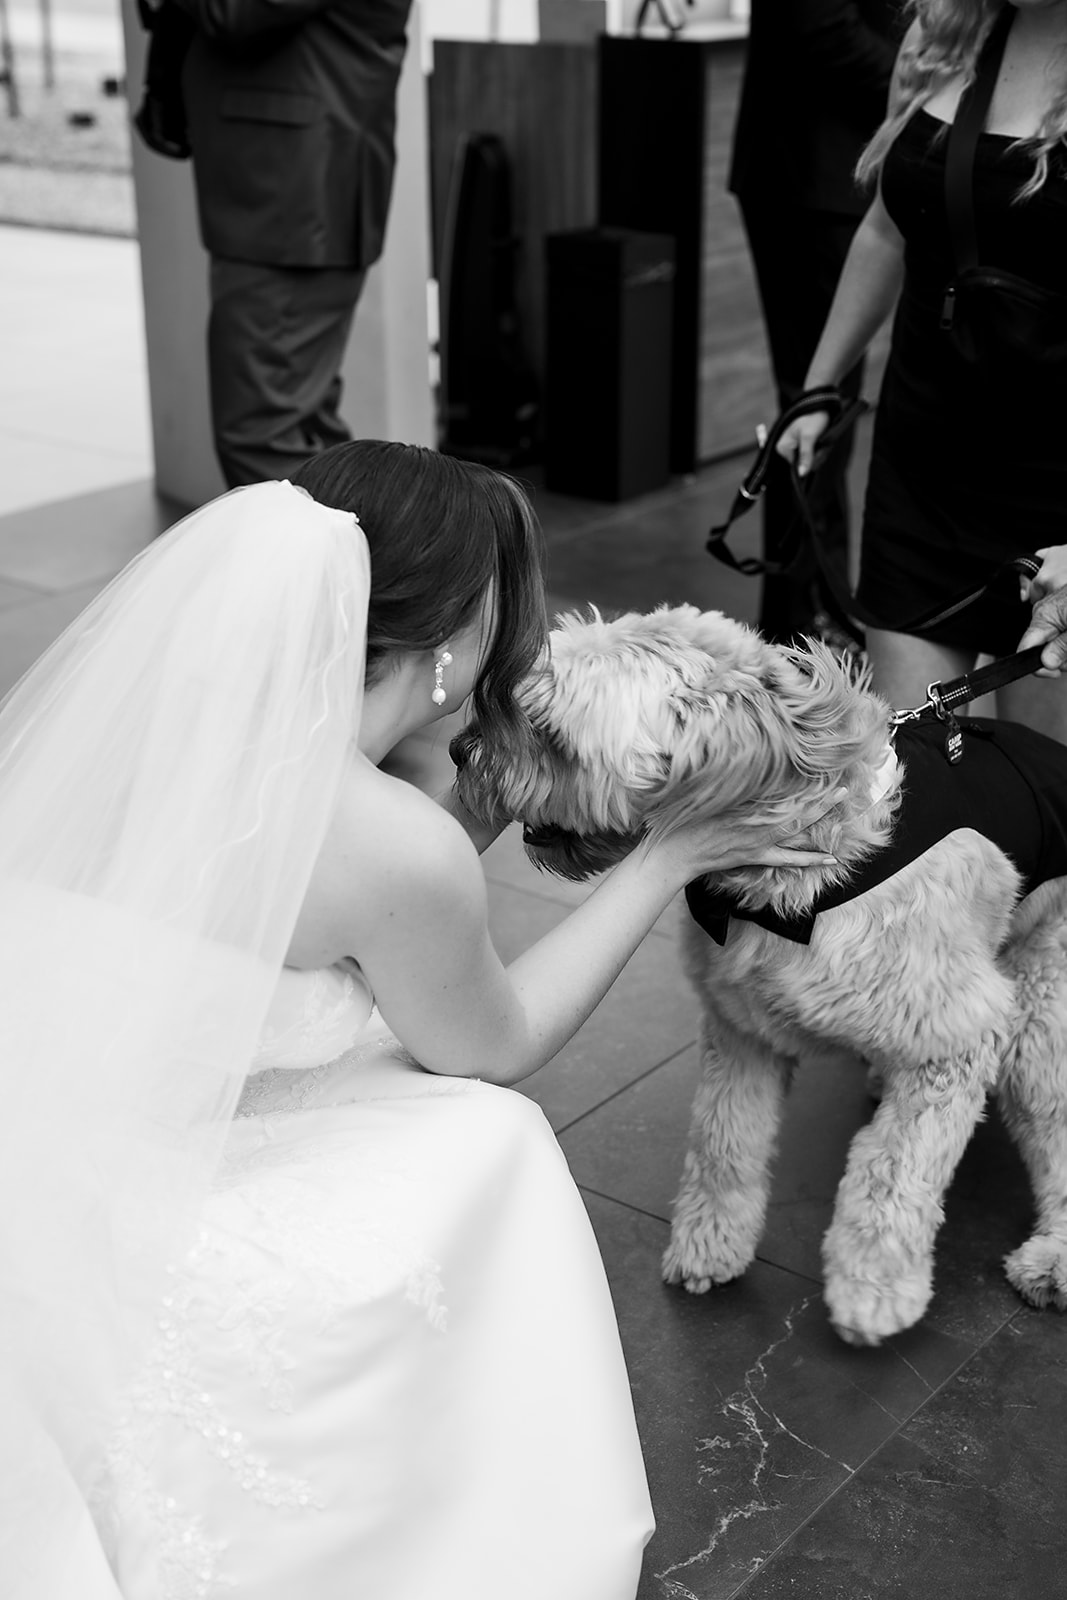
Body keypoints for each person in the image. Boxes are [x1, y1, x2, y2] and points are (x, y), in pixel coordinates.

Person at [0, 443, 839, 1600]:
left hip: (45, 1132)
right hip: (155, 1200)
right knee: (486, 1139)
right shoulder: (388, 840)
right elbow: (492, 1042)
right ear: (450, 648)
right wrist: (669, 853)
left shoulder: (157, 717)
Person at [777, 0, 1067, 741]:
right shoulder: (941, 35)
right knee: (915, 786)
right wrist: (818, 386)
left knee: (1043, 808)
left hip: (1054, 493)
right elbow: (884, 228)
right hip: (922, 469)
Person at [161, 0, 413, 488]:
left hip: (293, 201)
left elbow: (233, 13)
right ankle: (356, 563)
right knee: (303, 427)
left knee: (261, 435)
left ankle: (307, 565)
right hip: (287, 195)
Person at [729, 0, 903, 646]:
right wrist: (928, 80)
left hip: (835, 173)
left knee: (824, 415)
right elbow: (813, 25)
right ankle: (801, 623)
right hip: (809, 173)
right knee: (812, 411)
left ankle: (808, 611)